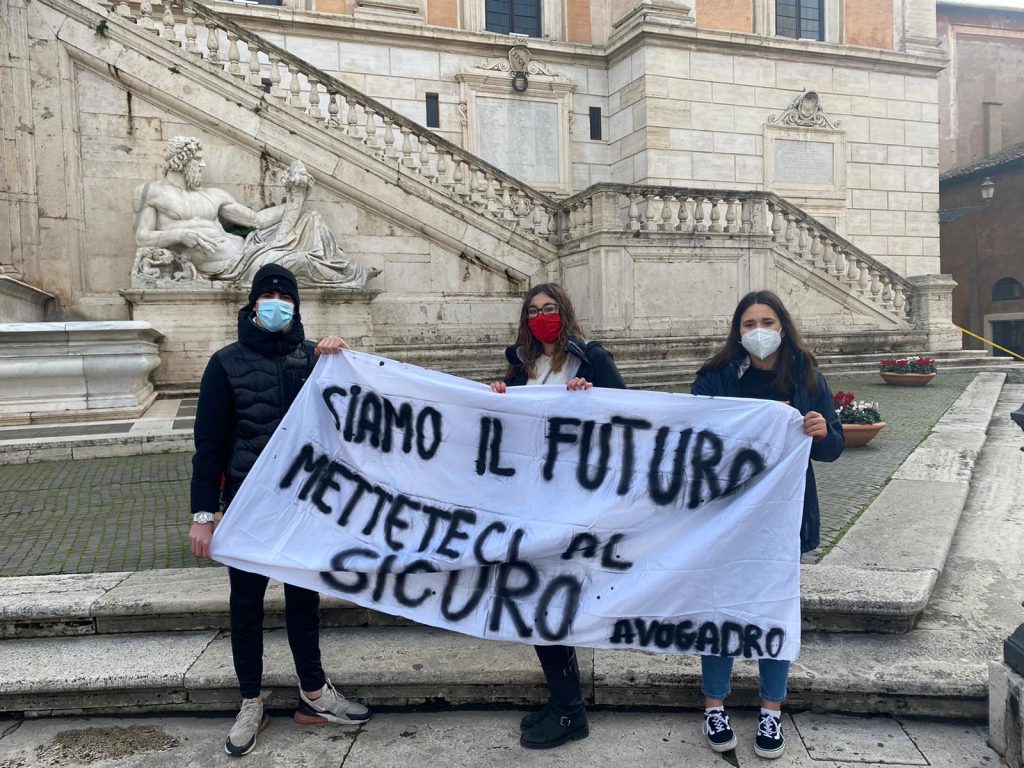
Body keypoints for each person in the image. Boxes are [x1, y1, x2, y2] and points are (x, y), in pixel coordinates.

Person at [188, 264, 371, 757]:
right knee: (245, 607)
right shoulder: (224, 364)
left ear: (295, 305)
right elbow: (209, 445)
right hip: (249, 505)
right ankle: (251, 701)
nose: (275, 303)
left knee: (304, 602)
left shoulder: (314, 360)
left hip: (303, 503)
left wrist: (340, 359)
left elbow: (348, 418)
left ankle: (314, 694)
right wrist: (204, 515)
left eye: (283, 296)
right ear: (252, 304)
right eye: (266, 295)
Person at [690, 290, 843, 760]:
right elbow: (693, 436)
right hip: (727, 514)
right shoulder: (714, 377)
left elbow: (833, 447)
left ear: (783, 326)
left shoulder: (806, 375)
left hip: (784, 518)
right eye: (749, 321)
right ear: (738, 330)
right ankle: (714, 706)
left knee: (773, 611)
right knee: (721, 609)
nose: (759, 330)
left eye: (767, 321)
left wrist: (821, 431)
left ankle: (771, 711)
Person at [489, 283, 626, 750]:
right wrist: (497, 396)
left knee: (550, 600)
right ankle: (564, 701)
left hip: (573, 504)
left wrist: (592, 399)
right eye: (533, 311)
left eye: (549, 309)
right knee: (537, 601)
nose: (541, 317)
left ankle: (571, 711)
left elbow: (631, 417)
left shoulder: (591, 359)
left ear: (564, 312)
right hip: (530, 502)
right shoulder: (521, 363)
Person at [134, 137, 376, 287]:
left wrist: (296, 198)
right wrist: (180, 235)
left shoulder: (214, 195)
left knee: (311, 219)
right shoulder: (152, 192)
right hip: (227, 266)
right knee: (299, 260)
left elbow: (257, 221)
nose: (203, 165)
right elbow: (142, 237)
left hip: (248, 251)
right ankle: (349, 276)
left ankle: (345, 272)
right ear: (182, 161)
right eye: (198, 160)